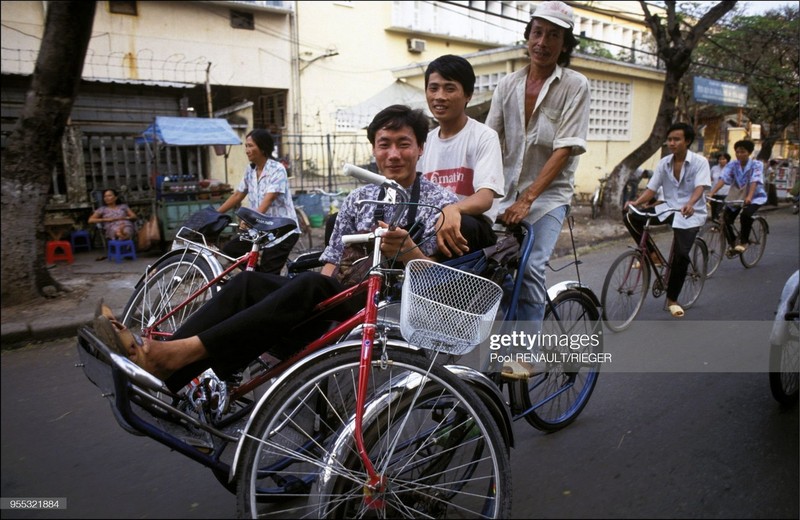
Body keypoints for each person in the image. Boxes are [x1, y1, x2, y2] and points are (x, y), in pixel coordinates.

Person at [92, 105, 459, 392]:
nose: (393, 154)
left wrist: (408, 248)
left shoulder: (440, 202)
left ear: (421, 148)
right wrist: (321, 300)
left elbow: (439, 281)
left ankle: (173, 353)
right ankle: (163, 374)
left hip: (391, 304)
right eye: (384, 144)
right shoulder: (359, 198)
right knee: (248, 284)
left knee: (308, 285)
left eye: (403, 144)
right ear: (374, 149)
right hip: (344, 294)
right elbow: (331, 261)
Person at [483, 0, 590, 378]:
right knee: (483, 263)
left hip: (547, 197)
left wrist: (529, 198)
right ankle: (518, 321)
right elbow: (490, 139)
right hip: (506, 193)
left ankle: (526, 352)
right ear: (528, 36)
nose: (542, 41)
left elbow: (566, 147)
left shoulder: (575, 85)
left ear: (564, 44)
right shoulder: (508, 85)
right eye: (537, 32)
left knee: (530, 265)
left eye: (553, 35)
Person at [418, 54, 505, 257]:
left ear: (468, 95)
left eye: (449, 88)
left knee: (460, 225)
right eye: (433, 88)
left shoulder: (484, 136)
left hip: (472, 228)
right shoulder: (424, 142)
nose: (439, 96)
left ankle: (425, 270)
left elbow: (485, 198)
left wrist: (453, 209)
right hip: (432, 224)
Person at [623, 122, 710, 318]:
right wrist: (636, 202)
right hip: (668, 209)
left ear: (686, 141)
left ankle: (672, 299)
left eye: (676, 139)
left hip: (690, 213)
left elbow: (700, 187)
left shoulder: (700, 162)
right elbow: (652, 189)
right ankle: (652, 255)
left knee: (681, 254)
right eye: (669, 139)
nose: (671, 143)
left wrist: (691, 203)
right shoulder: (664, 163)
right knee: (630, 215)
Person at [216, 129, 299, 274]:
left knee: (269, 272)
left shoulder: (277, 170)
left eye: (250, 146)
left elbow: (268, 199)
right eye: (246, 146)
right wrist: (215, 215)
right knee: (230, 250)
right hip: (259, 230)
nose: (247, 150)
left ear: (263, 148)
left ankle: (268, 285)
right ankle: (257, 280)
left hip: (281, 231)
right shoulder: (250, 170)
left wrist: (249, 220)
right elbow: (237, 195)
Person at [707, 140, 767, 254]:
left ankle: (744, 242)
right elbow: (724, 178)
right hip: (738, 195)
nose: (739, 154)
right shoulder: (732, 164)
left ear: (749, 153)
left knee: (745, 215)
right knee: (725, 219)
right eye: (737, 152)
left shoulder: (757, 164)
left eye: (742, 152)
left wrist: (749, 197)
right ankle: (733, 243)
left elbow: (755, 180)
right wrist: (712, 192)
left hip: (754, 196)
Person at [708, 152, 730, 221]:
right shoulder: (714, 168)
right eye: (720, 159)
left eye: (723, 159)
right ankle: (714, 224)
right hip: (714, 192)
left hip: (725, 193)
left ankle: (718, 224)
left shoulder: (729, 168)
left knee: (719, 210)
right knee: (713, 209)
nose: (721, 161)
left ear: (727, 160)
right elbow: (710, 178)